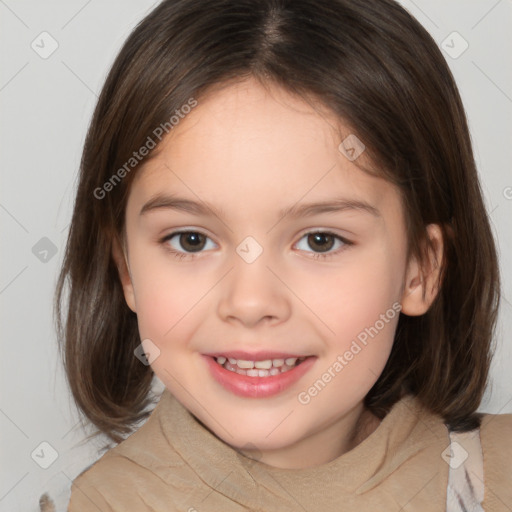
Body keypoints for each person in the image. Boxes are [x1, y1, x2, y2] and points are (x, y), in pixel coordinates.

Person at [54, 0, 512, 510]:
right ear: (126, 268)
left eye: (320, 241)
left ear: (420, 269)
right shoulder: (104, 502)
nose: (250, 303)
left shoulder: (494, 476)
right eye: (191, 240)